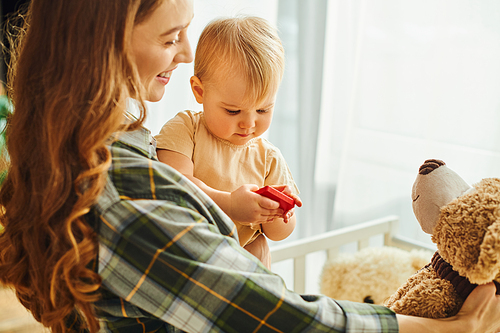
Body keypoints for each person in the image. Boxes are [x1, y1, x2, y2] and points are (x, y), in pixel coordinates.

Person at [0, 0, 499, 332]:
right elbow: (272, 316)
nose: (188, 52)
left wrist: (277, 216)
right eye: (172, 37)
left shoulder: (97, 150)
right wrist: (438, 327)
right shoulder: (131, 179)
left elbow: (273, 255)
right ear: (100, 44)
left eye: (263, 110)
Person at [155, 16, 300, 269]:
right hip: (188, 260)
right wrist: (230, 205)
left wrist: (279, 212)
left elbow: (278, 233)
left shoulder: (269, 158)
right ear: (200, 92)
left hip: (242, 269)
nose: (249, 123)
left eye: (263, 110)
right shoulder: (186, 128)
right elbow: (172, 185)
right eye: (233, 111)